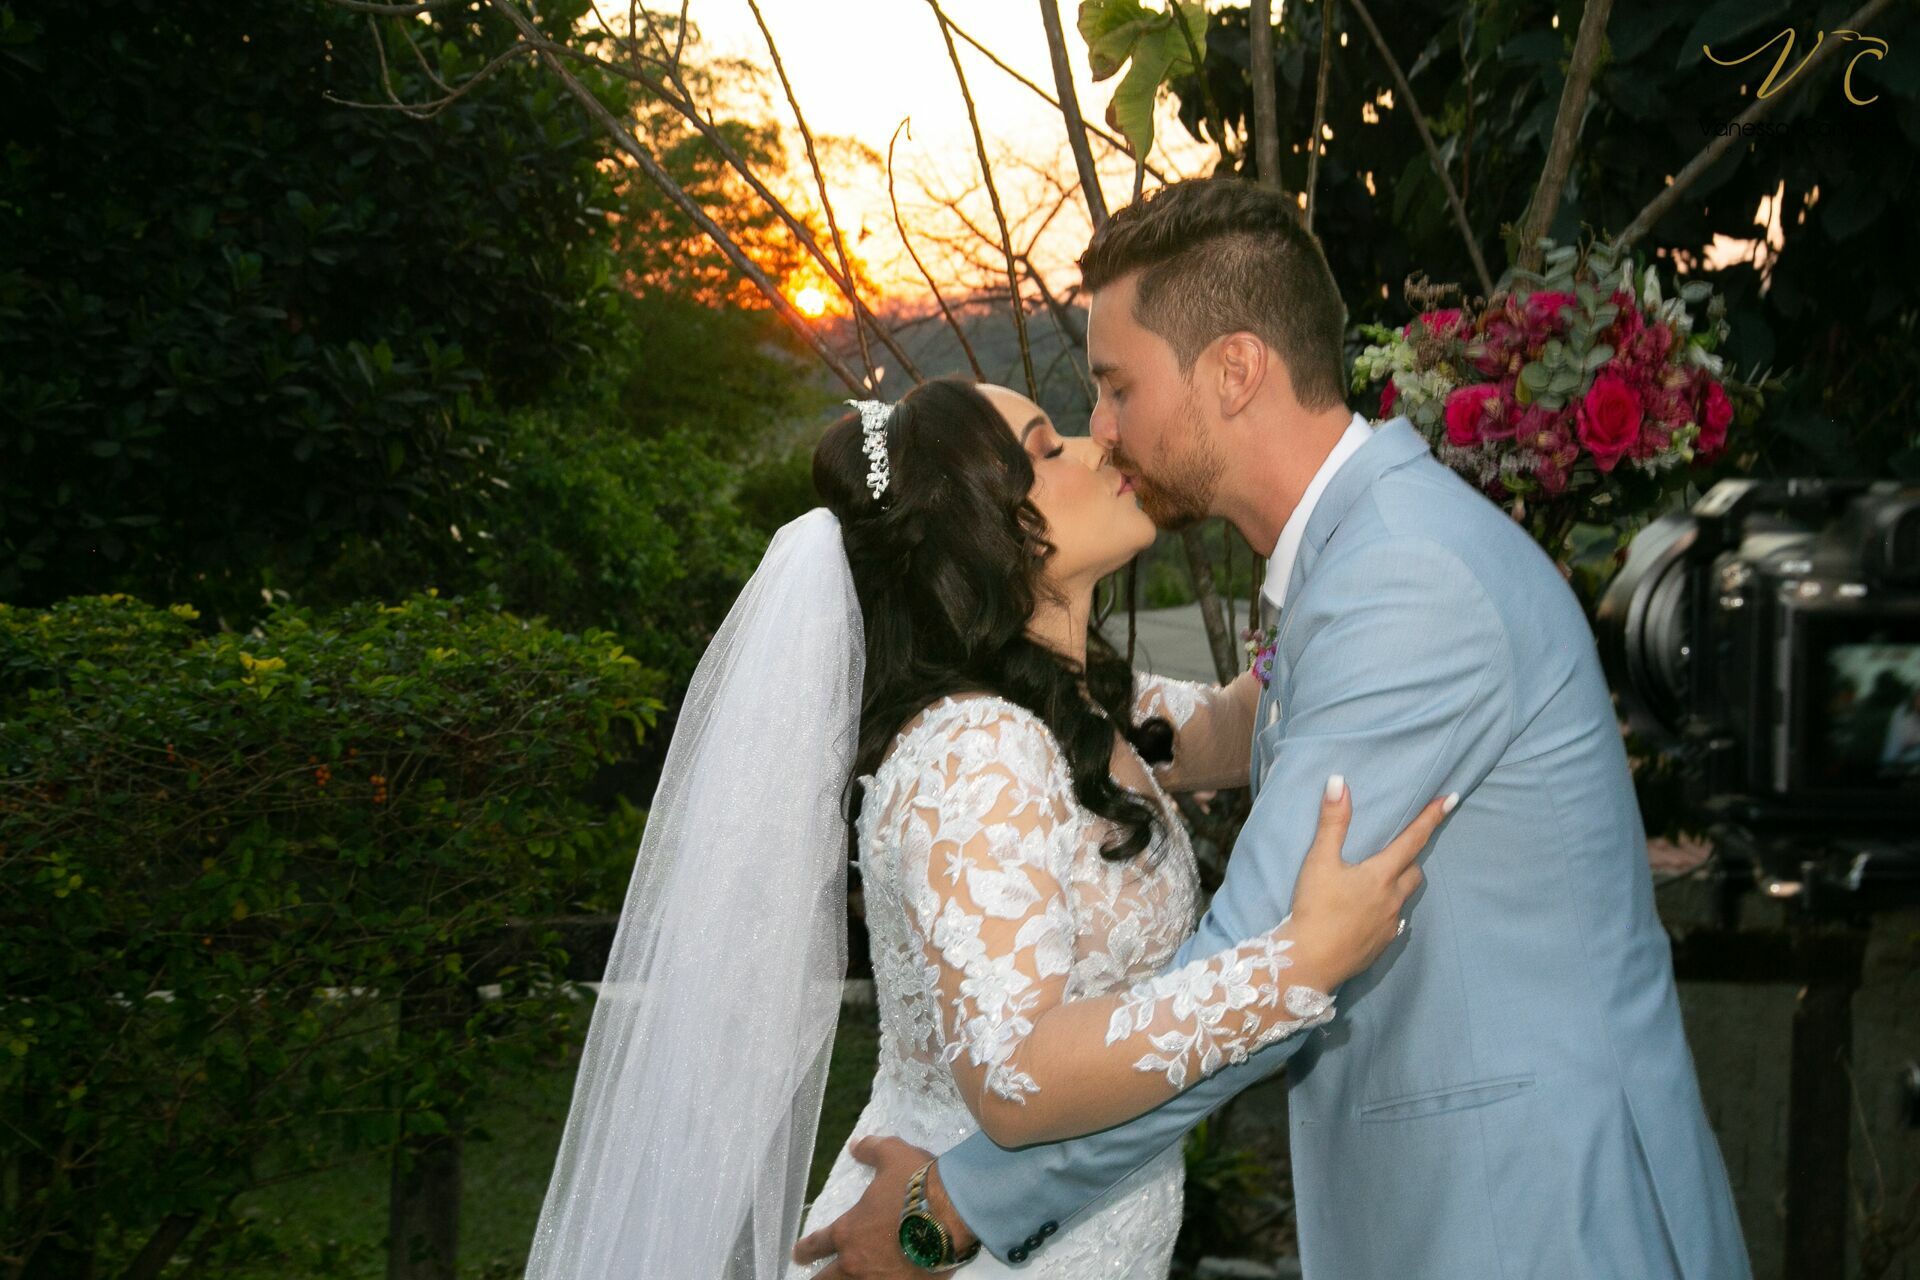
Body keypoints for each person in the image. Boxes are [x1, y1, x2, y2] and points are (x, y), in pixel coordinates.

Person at [797, 178, 1750, 1279]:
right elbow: (1210, 761)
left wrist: (952, 1205)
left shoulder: (1399, 581)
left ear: (1235, 369)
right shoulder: (1352, 563)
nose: (1103, 430)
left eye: (1114, 386)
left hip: (1529, 1212)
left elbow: (1260, 963)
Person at [523, 374, 1448, 1280]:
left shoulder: (1088, 717)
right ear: (983, 531)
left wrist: (1370, 536)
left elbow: (1257, 714)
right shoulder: (977, 751)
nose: (1103, 446)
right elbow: (1014, 1078)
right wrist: (1297, 965)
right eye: (1048, 452)